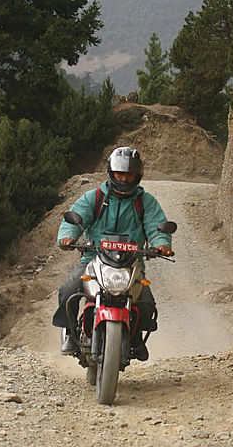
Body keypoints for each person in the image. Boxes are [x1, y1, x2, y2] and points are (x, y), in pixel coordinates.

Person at [52, 146, 173, 361]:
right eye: (120, 173)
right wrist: (68, 237)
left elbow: (157, 225)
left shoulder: (145, 202)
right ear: (111, 171)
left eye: (129, 174)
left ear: (138, 175)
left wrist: (161, 243)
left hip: (131, 264)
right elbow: (75, 216)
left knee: (146, 305)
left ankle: (134, 338)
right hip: (94, 260)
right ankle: (70, 333)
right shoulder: (95, 197)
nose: (124, 179)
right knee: (69, 290)